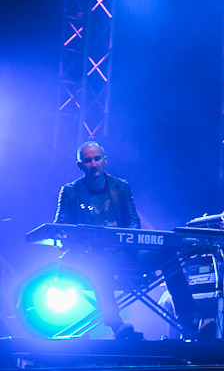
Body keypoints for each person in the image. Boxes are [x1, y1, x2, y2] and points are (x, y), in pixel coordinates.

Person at [55, 141, 204, 340]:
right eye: (88, 161)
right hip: (88, 259)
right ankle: (116, 324)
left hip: (124, 255)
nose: (94, 164)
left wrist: (125, 244)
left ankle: (190, 320)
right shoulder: (70, 191)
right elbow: (60, 229)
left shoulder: (121, 187)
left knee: (167, 252)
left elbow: (133, 221)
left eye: (97, 158)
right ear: (80, 166)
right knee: (99, 263)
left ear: (105, 161)